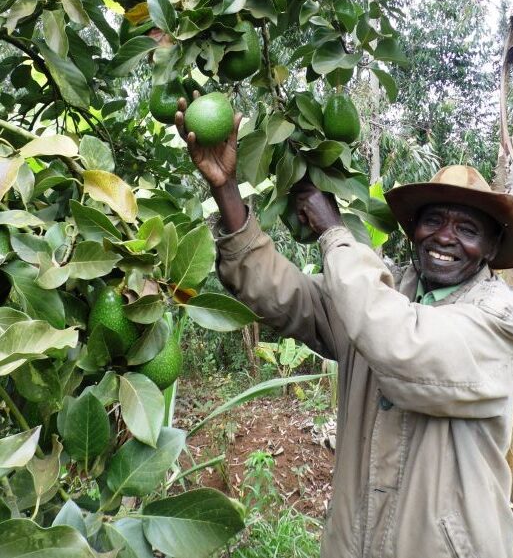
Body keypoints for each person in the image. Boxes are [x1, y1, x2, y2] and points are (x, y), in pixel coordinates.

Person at [175, 100, 513, 558]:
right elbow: (286, 294)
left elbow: (400, 342)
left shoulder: (498, 321)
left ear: (492, 247)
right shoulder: (386, 294)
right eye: (433, 221)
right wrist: (227, 191)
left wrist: (334, 232)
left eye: (467, 228)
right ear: (415, 231)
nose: (445, 237)